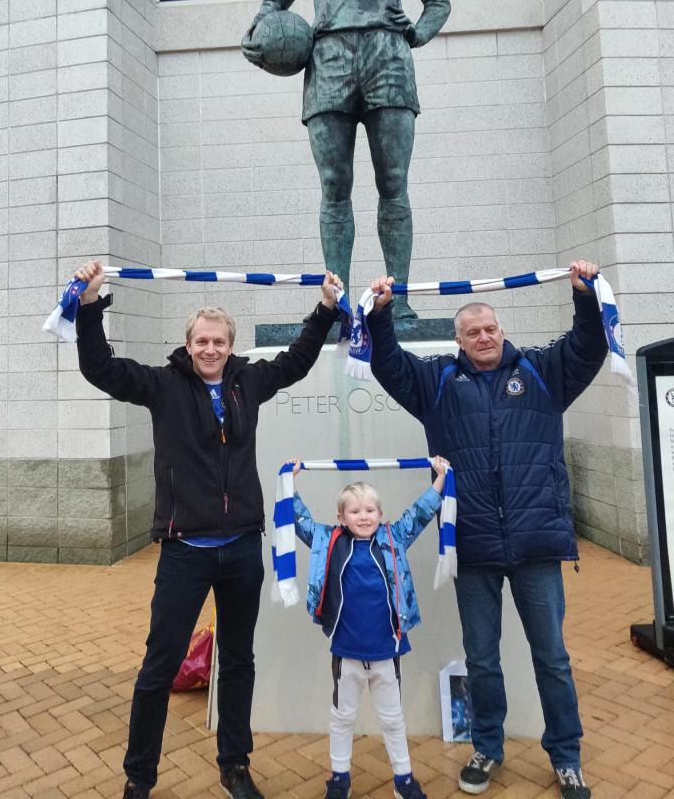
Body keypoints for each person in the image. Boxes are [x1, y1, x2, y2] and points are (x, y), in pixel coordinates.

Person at [73, 260, 343, 799]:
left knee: (238, 661)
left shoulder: (250, 380)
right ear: (188, 343)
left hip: (242, 547)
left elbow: (296, 361)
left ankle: (235, 766)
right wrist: (88, 307)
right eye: (202, 341)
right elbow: (100, 368)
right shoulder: (161, 385)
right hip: (185, 551)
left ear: (230, 344)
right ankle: (140, 777)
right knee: (159, 666)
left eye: (219, 341)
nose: (211, 349)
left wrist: (325, 310)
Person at [365, 260, 607, 799]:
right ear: (458, 340)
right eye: (472, 332)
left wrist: (584, 295)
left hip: (536, 542)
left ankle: (566, 756)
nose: (483, 338)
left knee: (553, 659)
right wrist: (380, 316)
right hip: (471, 544)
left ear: (502, 331)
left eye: (490, 329)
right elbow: (388, 363)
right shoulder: (436, 382)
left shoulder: (543, 372)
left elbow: (588, 346)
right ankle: (488, 747)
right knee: (482, 659)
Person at [242, 0, 450, 321]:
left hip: (388, 56)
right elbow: (276, 1)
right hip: (330, 58)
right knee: (334, 184)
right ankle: (337, 304)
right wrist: (259, 35)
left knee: (393, 182)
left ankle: (397, 301)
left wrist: (417, 33)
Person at [293, 456, 451, 799]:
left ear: (380, 515)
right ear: (340, 517)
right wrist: (289, 482)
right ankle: (339, 778)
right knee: (342, 717)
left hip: (386, 650)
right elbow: (300, 520)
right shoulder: (330, 542)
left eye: (370, 510)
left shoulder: (394, 538)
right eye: (354, 511)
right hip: (346, 651)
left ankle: (403, 779)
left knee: (393, 718)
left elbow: (421, 512)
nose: (363, 516)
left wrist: (440, 479)